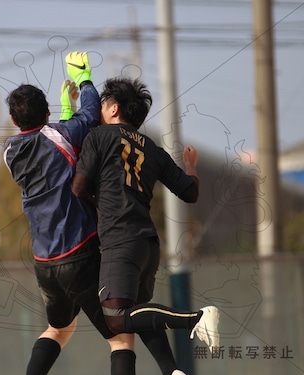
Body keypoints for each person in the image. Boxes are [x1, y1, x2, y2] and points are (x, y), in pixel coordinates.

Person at [72, 76, 220, 375]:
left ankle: (196, 317)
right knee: (139, 313)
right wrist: (190, 167)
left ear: (113, 109)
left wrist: (98, 208)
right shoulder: (152, 149)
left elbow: (78, 187)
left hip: (120, 240)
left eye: (101, 105)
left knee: (116, 318)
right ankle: (172, 371)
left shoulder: (98, 137)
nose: (98, 111)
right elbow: (190, 192)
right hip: (147, 245)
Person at [3, 52, 136, 375]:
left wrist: (65, 111)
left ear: (13, 120)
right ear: (46, 111)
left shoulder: (10, 150)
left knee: (59, 330)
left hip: (44, 262)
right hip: (78, 253)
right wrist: (84, 79)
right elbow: (91, 114)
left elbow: (55, 142)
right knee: (121, 338)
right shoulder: (60, 135)